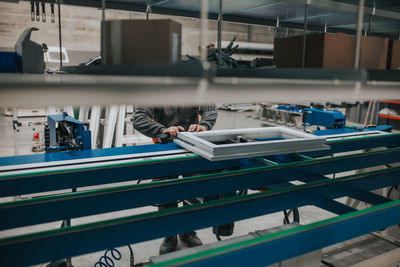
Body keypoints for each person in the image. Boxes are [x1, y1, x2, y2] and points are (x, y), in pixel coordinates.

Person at [133, 105, 218, 255]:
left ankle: (187, 231)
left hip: (193, 144)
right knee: (166, 190)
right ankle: (169, 235)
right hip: (165, 145)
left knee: (192, 187)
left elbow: (210, 109)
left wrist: (203, 125)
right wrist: (161, 129)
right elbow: (139, 118)